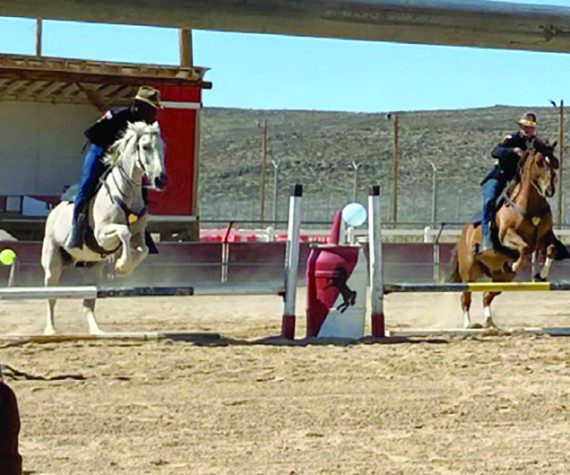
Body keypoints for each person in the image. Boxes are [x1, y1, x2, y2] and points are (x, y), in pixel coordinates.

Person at [66, 86, 161, 250]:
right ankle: (76, 229)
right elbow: (93, 133)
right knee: (88, 184)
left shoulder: (147, 124)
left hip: (123, 159)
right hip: (100, 151)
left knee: (139, 188)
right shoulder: (118, 115)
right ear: (141, 106)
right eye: (152, 109)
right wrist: (110, 149)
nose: (154, 113)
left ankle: (140, 231)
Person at [480, 112, 541, 252]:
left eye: (530, 127)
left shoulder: (536, 143)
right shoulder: (511, 138)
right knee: (489, 200)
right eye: (525, 126)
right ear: (520, 126)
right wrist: (513, 150)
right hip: (500, 176)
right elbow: (495, 151)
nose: (527, 129)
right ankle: (486, 237)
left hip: (518, 180)